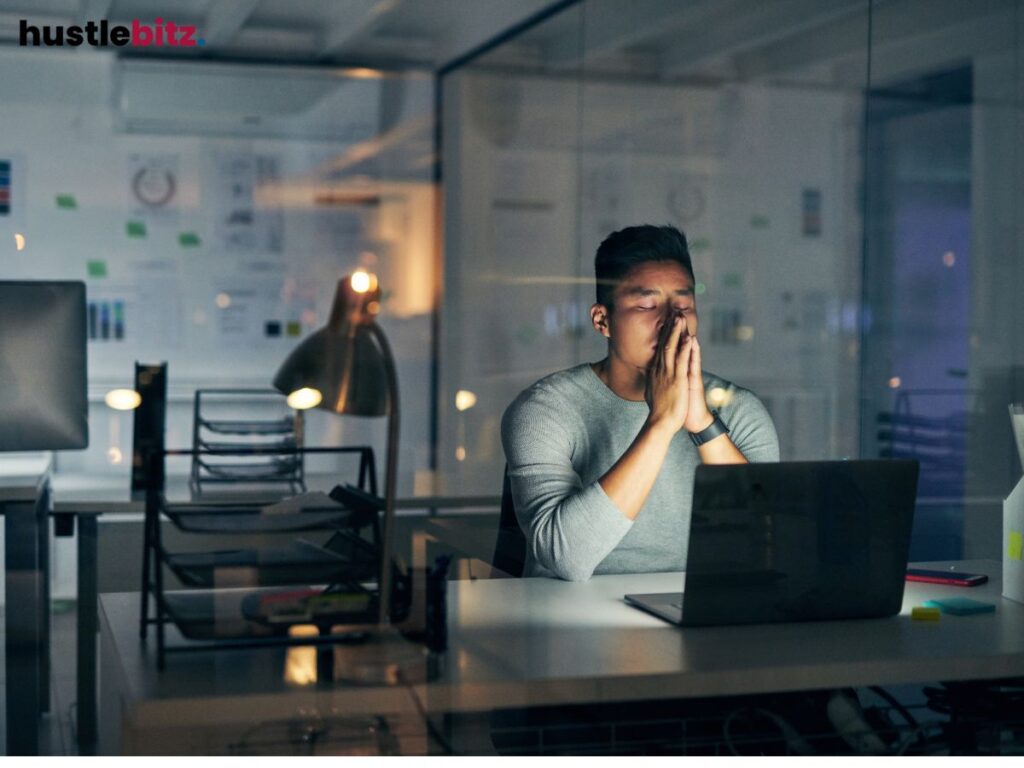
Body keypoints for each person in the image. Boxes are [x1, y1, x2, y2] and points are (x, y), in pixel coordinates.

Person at [501, 224, 780, 581]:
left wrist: (702, 424)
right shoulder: (543, 411)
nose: (671, 321)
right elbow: (565, 558)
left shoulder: (738, 409)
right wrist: (662, 424)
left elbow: (767, 544)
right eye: (647, 304)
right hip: (573, 617)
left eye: (684, 304)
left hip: (697, 609)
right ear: (603, 320)